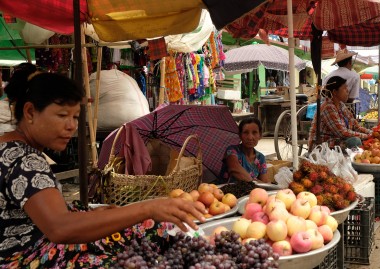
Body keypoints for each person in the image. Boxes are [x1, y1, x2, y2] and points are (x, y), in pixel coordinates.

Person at [0, 64, 206, 267]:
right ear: (29, 112)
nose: (71, 126)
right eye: (62, 115)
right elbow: (59, 228)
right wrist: (147, 208)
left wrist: (89, 215)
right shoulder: (24, 160)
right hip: (23, 258)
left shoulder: (9, 147)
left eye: (75, 117)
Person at [308, 76, 372, 150]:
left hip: (336, 141)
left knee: (362, 140)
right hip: (322, 146)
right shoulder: (328, 107)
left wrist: (371, 132)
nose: (348, 91)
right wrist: (367, 136)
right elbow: (342, 132)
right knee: (355, 141)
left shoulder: (341, 105)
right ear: (335, 92)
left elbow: (356, 126)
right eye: (344, 88)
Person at [218, 118, 268, 184]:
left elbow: (264, 182)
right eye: (245, 132)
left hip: (251, 192)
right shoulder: (232, 151)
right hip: (226, 192)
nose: (250, 137)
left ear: (260, 135)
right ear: (240, 135)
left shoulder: (260, 158)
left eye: (254, 132)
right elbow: (234, 169)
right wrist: (255, 183)